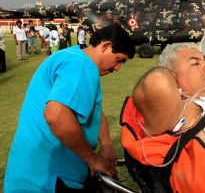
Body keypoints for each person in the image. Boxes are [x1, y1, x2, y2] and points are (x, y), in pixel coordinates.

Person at [4, 22, 136, 192]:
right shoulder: (82, 66)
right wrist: (92, 159)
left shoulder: (74, 57)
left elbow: (91, 110)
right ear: (106, 46)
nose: (117, 68)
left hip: (33, 173)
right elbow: (56, 115)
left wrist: (106, 142)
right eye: (119, 60)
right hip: (48, 180)